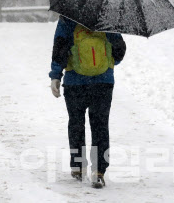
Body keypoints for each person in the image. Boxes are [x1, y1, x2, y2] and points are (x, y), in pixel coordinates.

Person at [49, 15, 126, 188]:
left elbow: (60, 47)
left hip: (74, 82)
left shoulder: (68, 16)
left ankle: (78, 166)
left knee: (76, 123)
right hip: (103, 81)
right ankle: (99, 171)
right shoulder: (108, 15)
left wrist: (55, 75)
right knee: (100, 125)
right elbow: (119, 53)